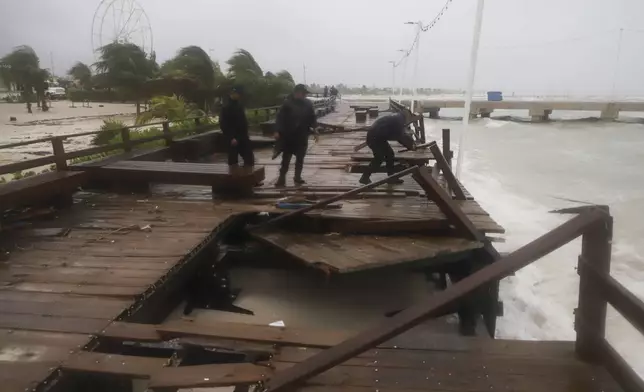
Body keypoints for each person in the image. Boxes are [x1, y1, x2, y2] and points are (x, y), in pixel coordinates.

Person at [274, 84, 317, 187]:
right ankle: (281, 178)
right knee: (286, 159)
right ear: (296, 93)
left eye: (305, 94)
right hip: (288, 136)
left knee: (300, 158)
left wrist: (315, 129)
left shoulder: (308, 104)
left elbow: (312, 117)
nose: (304, 96)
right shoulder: (287, 104)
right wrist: (277, 130)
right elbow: (280, 118)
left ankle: (297, 177)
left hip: (302, 135)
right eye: (303, 93)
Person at [359, 112, 415, 185]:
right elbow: (400, 137)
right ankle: (364, 177)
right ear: (407, 116)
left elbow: (402, 134)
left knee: (390, 154)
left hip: (378, 137)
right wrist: (411, 146)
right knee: (379, 158)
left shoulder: (398, 117)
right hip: (375, 138)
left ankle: (391, 178)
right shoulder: (399, 121)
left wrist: (410, 142)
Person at [220, 85, 254, 167]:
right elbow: (224, 124)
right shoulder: (226, 107)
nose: (238, 95)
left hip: (243, 136)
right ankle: (233, 178)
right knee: (233, 162)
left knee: (249, 159)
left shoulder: (239, 106)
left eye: (239, 94)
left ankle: (247, 177)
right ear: (231, 94)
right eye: (236, 93)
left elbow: (243, 122)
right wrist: (231, 137)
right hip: (233, 138)